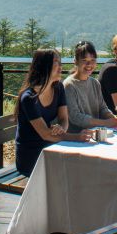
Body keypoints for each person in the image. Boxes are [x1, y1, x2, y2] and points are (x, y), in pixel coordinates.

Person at [15, 48, 91, 176]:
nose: (61, 66)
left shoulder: (58, 87)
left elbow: (64, 119)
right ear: (44, 65)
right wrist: (76, 137)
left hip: (51, 147)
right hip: (31, 156)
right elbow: (45, 134)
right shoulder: (29, 98)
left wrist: (61, 128)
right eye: (57, 62)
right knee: (74, 170)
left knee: (82, 167)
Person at [63, 40, 117, 132]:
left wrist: (113, 118)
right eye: (84, 60)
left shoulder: (95, 83)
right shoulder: (69, 85)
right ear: (75, 62)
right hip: (77, 138)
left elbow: (102, 108)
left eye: (92, 60)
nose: (89, 64)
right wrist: (106, 123)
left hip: (96, 134)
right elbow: (75, 117)